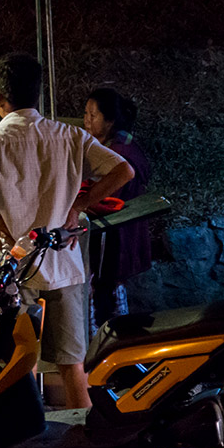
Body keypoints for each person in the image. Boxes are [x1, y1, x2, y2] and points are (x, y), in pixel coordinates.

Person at [0, 53, 134, 412]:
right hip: (63, 260)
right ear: (38, 95)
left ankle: (27, 444)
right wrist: (77, 206)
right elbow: (122, 171)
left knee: (20, 361)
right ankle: (83, 444)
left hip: (13, 265)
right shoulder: (69, 136)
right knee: (71, 362)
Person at [82, 88, 152, 334]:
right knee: (108, 289)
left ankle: (114, 346)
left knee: (110, 294)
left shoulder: (122, 153)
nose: (87, 120)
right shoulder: (112, 145)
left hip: (118, 233)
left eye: (94, 115)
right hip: (115, 234)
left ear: (110, 121)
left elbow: (111, 200)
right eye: (86, 114)